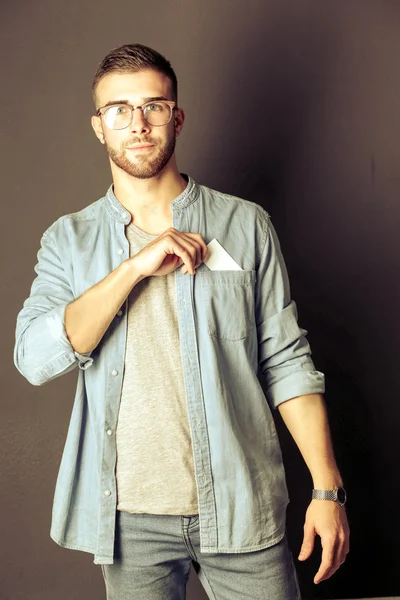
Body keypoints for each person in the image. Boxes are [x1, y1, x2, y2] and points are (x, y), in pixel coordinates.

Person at [14, 43, 350, 600]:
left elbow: (287, 361)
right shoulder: (67, 241)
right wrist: (134, 270)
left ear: (178, 116)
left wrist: (327, 490)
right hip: (128, 522)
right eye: (119, 109)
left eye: (154, 106)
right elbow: (35, 356)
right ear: (99, 127)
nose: (138, 123)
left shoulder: (245, 225)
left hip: (243, 508)